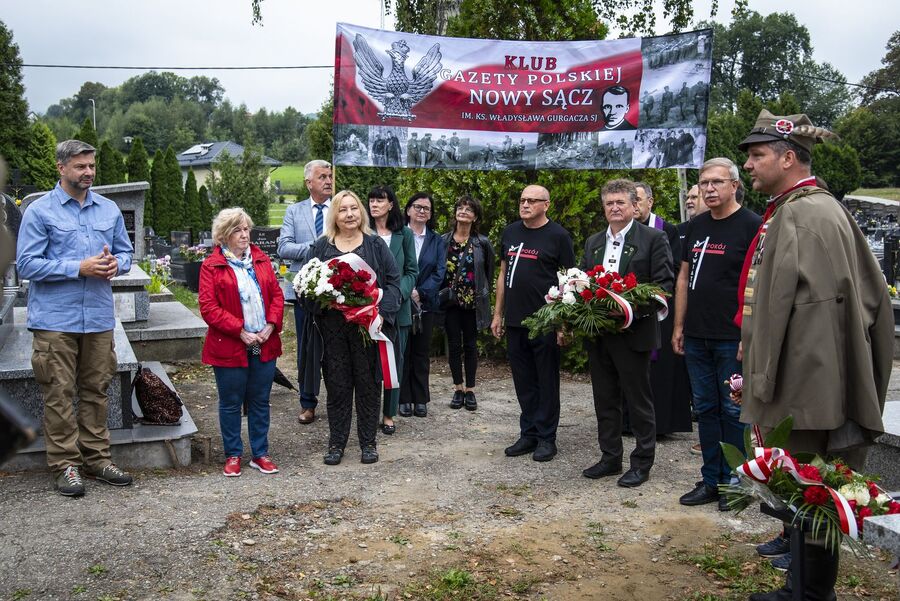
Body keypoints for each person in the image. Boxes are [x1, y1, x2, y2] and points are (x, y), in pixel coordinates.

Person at [736, 110, 893, 601]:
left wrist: (768, 382)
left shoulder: (806, 212)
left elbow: (816, 315)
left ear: (788, 158)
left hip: (808, 384)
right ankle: (802, 587)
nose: (749, 166)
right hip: (810, 380)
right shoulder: (801, 207)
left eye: (758, 156)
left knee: (811, 483)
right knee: (807, 485)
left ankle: (808, 593)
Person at [17, 139, 134, 497]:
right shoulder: (40, 212)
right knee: (58, 392)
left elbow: (126, 253)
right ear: (61, 168)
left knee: (97, 390)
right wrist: (78, 268)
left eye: (91, 166)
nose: (88, 173)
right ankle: (65, 465)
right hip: (55, 320)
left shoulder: (108, 210)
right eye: (81, 166)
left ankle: (98, 459)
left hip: (98, 318)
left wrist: (117, 264)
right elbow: (27, 264)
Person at [671, 158, 761, 511]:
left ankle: (737, 483)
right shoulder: (695, 226)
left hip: (731, 337)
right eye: (704, 182)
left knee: (732, 410)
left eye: (717, 182)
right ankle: (712, 480)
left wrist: (748, 333)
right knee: (706, 409)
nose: (709, 189)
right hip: (696, 334)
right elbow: (683, 278)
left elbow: (757, 282)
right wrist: (679, 325)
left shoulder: (752, 226)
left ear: (735, 185)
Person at [579, 179, 673, 488]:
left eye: (621, 202)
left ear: (635, 206)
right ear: (603, 207)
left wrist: (629, 309)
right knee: (604, 398)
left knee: (638, 400)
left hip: (634, 334)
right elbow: (580, 284)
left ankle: (642, 462)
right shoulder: (593, 242)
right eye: (609, 203)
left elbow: (663, 286)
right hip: (599, 336)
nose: (615, 208)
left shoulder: (653, 238)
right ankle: (610, 457)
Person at [302, 190, 401, 465]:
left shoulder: (376, 246)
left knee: (369, 386)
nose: (349, 214)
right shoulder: (321, 247)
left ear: (361, 213)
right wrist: (325, 302)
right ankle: (336, 444)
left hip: (367, 330)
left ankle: (368, 443)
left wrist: (382, 313)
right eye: (343, 209)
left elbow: (393, 284)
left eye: (354, 208)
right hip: (333, 332)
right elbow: (305, 288)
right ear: (335, 214)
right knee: (337, 386)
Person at [199, 208, 284, 477]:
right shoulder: (211, 265)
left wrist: (271, 324)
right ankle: (233, 454)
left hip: (263, 341)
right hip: (230, 343)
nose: (245, 234)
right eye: (238, 230)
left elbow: (277, 296)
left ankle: (260, 454)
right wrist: (240, 331)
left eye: (247, 228)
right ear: (224, 235)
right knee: (231, 402)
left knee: (260, 400)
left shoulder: (260, 259)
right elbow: (208, 307)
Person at [492, 185, 575, 462]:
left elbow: (568, 282)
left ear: (546, 205)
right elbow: (504, 274)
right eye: (522, 200)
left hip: (546, 322)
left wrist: (563, 324)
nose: (525, 204)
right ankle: (528, 433)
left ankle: (546, 438)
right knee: (524, 380)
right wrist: (497, 314)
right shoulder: (511, 232)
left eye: (532, 200)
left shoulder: (559, 236)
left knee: (546, 381)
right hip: (515, 320)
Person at [633, 182, 690, 436]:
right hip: (630, 308)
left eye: (638, 199)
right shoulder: (623, 230)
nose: (633, 205)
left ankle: (661, 423)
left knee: (660, 367)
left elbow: (676, 269)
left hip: (659, 305)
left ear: (650, 202)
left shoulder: (666, 230)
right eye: (629, 199)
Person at [277, 159, 332, 425]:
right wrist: (317, 246)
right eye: (322, 177)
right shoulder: (294, 212)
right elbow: (284, 248)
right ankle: (307, 403)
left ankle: (337, 400)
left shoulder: (340, 210)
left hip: (337, 292)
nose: (328, 181)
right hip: (305, 294)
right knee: (306, 349)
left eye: (330, 176)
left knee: (336, 349)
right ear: (308, 182)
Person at [367, 186, 417, 434]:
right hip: (367, 308)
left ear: (391, 205)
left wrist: (397, 295)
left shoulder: (404, 234)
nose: (374, 204)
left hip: (398, 309)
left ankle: (389, 414)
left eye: (380, 200)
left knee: (394, 362)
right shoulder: (363, 233)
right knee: (368, 363)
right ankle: (368, 411)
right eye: (371, 200)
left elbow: (411, 271)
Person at [440, 195, 495, 411]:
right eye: (460, 208)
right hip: (451, 303)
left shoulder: (482, 242)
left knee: (471, 346)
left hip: (473, 304)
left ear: (475, 217)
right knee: (453, 346)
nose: (463, 211)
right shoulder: (443, 240)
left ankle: (470, 390)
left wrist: (481, 294)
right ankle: (457, 388)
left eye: (468, 209)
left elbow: (488, 274)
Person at [399, 193, 446, 418]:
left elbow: (440, 272)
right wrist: (406, 291)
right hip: (401, 303)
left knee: (421, 352)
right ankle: (403, 398)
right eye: (417, 206)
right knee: (403, 351)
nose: (422, 211)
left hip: (426, 304)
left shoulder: (437, 241)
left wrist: (420, 292)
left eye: (427, 209)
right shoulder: (398, 236)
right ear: (408, 210)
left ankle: (420, 398)